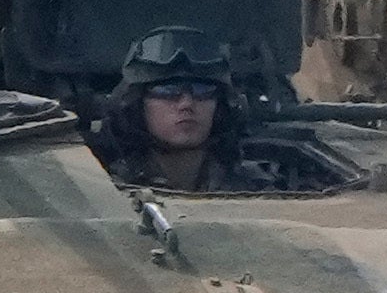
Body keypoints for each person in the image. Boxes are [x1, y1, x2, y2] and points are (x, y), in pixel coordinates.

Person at [87, 25, 348, 198]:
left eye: (203, 92)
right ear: (136, 106)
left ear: (221, 108)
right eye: (168, 92)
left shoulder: (256, 192)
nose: (186, 104)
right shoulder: (107, 191)